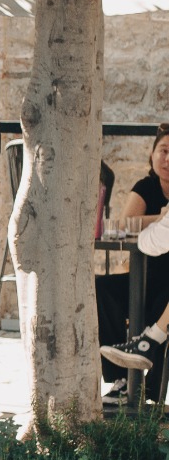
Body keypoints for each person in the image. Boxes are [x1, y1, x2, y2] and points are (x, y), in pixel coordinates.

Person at [97, 126, 169, 401]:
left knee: (164, 302)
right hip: (144, 275)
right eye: (163, 151)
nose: (167, 159)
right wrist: (161, 217)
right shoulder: (145, 187)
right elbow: (124, 225)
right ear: (151, 155)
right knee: (102, 287)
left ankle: (151, 390)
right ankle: (120, 380)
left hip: (165, 284)